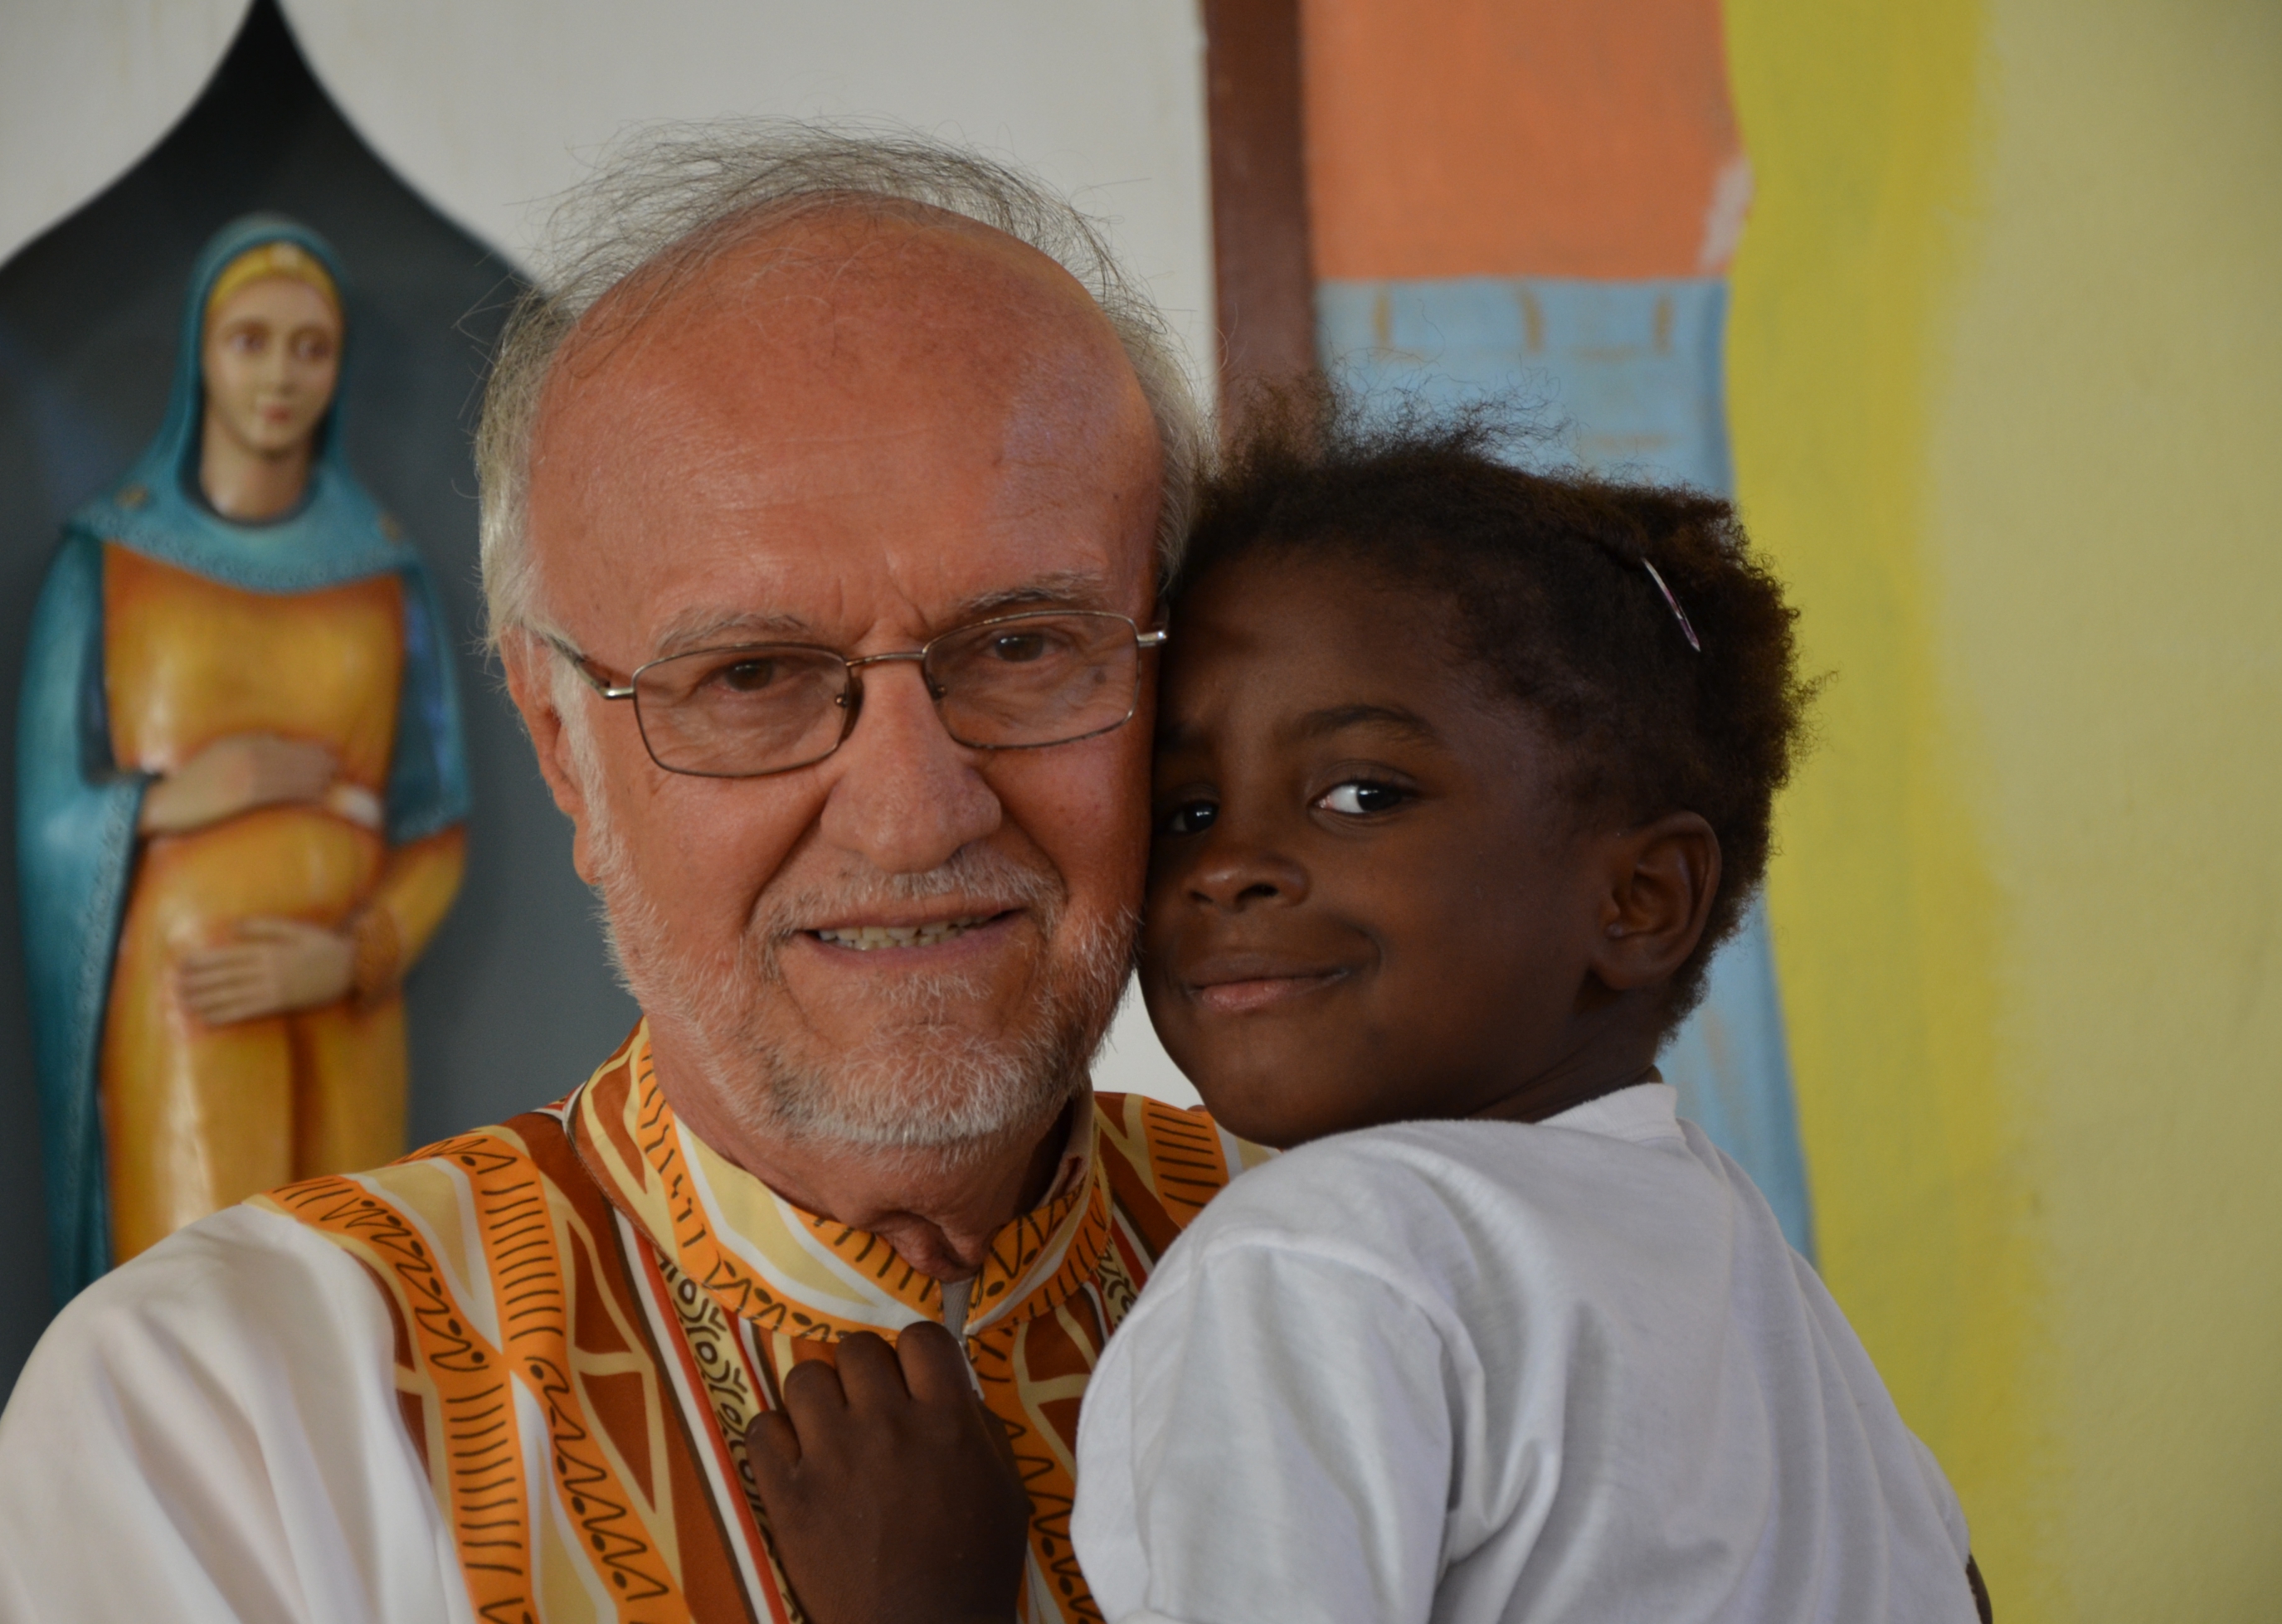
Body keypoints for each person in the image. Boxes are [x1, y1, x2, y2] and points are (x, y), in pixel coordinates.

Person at [0, 127, 1258, 1624]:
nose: (911, 813)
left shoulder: (1397, 1285)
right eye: (753, 673)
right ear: (562, 745)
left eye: (1025, 646)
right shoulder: (231, 1413)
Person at [752, 398, 1992, 1623]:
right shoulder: (1760, 1289)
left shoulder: (1318, 1255)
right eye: (1185, 811)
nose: (1228, 865)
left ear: (1638, 898)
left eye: (1360, 793)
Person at [15, 215, 470, 1297]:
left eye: (310, 347)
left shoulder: (383, 569)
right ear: (200, 355)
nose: (279, 375)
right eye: (250, 340)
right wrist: (174, 800)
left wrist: (354, 956)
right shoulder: (113, 559)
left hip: (346, 1009)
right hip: (187, 1004)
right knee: (198, 1308)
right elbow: (46, 817)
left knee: (347, 1312)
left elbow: (436, 822)